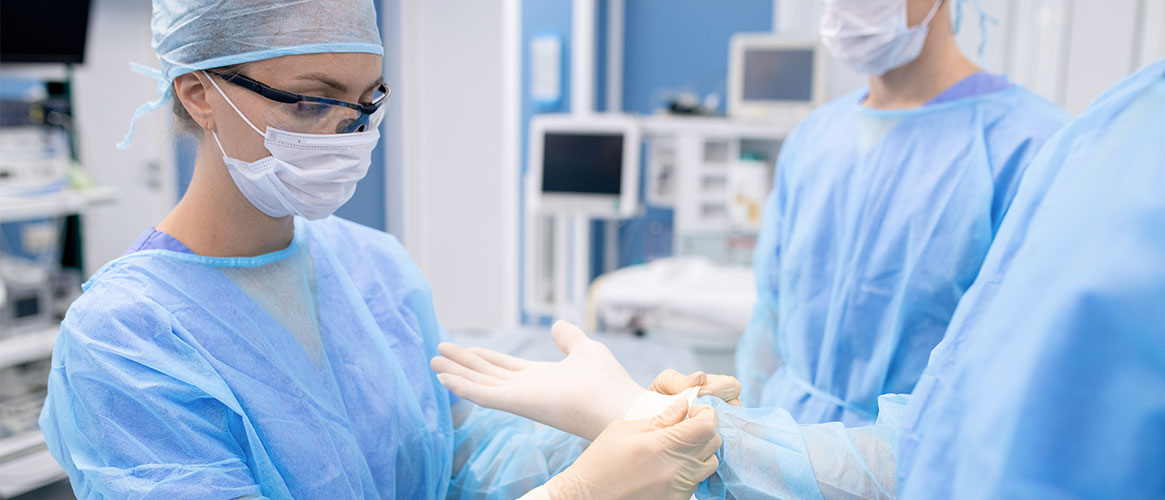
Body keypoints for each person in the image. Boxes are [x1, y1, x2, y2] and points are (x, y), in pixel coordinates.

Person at [36, 1, 728, 498]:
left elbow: (455, 462)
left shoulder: (371, 267)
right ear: (200, 94)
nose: (347, 133)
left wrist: (622, 429)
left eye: (368, 103)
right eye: (312, 102)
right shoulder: (125, 341)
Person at [433, 57, 1165, 498]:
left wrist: (647, 419)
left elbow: (961, 445)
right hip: (792, 450)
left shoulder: (1051, 146)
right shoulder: (817, 137)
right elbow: (770, 331)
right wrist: (728, 427)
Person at [735, 0, 1072, 425]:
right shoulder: (814, 137)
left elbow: (1028, 380)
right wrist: (752, 442)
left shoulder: (1033, 148)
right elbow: (770, 320)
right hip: (780, 458)